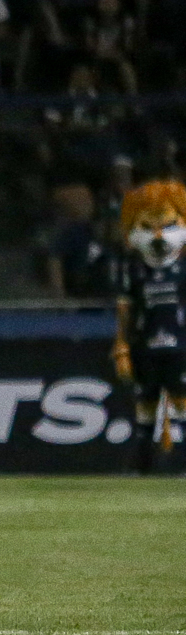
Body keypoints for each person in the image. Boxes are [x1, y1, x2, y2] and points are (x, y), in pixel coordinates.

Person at [113, 180, 186, 474]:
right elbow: (126, 309)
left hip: (181, 346)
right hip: (145, 346)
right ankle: (142, 466)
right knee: (145, 405)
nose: (157, 235)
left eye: (167, 225)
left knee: (182, 403)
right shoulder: (133, 268)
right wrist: (121, 345)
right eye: (147, 226)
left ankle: (181, 465)